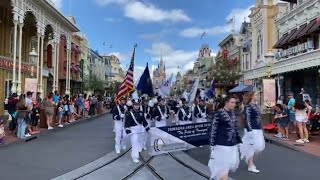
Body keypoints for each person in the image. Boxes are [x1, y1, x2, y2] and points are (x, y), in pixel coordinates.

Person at [208, 95, 242, 180]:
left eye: (235, 103)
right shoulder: (218, 113)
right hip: (222, 144)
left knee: (227, 166)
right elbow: (213, 129)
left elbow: (235, 128)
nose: (234, 104)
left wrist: (238, 140)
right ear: (226, 102)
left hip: (232, 144)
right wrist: (212, 144)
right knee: (223, 167)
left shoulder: (233, 113)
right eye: (232, 102)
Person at [239, 92, 265, 174]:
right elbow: (247, 119)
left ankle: (250, 162)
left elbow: (258, 117)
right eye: (256, 95)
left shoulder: (255, 106)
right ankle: (250, 165)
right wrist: (250, 131)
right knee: (251, 147)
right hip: (252, 129)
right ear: (252, 97)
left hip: (257, 129)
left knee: (257, 146)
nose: (257, 96)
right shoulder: (249, 107)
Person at [124, 98, 150, 163]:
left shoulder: (141, 113)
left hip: (140, 129)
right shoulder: (129, 113)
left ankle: (137, 151)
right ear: (133, 105)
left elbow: (144, 122)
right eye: (135, 104)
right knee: (134, 143)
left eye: (138, 104)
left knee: (139, 142)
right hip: (133, 130)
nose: (136, 106)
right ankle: (135, 157)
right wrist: (127, 130)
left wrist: (147, 127)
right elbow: (126, 123)